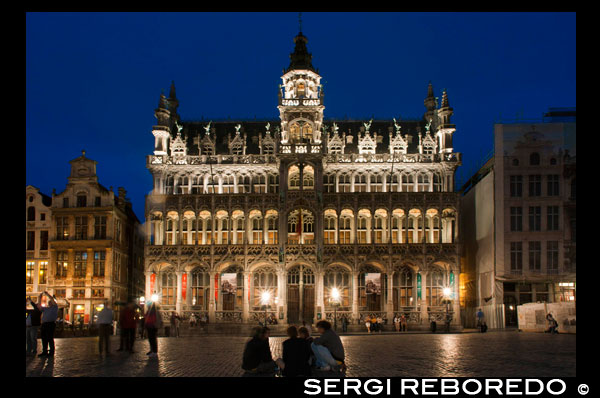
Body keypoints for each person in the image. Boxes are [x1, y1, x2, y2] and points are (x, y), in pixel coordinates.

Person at [36, 291, 58, 357]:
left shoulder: (55, 307)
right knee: (44, 338)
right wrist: (40, 298)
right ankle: (44, 351)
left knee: (50, 338)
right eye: (49, 302)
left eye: (51, 302)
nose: (49, 302)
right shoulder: (45, 309)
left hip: (50, 324)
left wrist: (48, 295)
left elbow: (52, 299)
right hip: (44, 324)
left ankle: (51, 352)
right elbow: (39, 307)